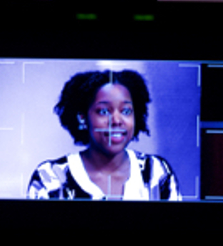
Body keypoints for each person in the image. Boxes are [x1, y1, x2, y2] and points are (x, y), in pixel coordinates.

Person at [27, 70, 180, 201]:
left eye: (126, 111)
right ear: (82, 118)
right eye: (104, 111)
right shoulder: (52, 176)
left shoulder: (155, 171)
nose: (117, 120)